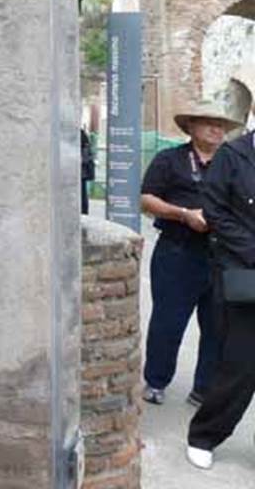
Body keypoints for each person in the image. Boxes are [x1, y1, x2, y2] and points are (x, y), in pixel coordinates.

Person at [139, 101, 242, 408]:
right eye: (209, 123)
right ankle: (156, 381)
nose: (217, 129)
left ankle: (204, 388)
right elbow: (146, 199)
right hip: (177, 252)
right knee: (168, 322)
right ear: (191, 127)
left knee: (217, 327)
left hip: (222, 257)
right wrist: (184, 214)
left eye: (221, 124)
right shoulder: (169, 160)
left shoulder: (234, 163)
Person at [186, 117, 255, 470]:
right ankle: (204, 435)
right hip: (245, 270)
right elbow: (214, 209)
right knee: (240, 365)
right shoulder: (233, 155)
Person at [81, 128, 95, 215]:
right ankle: (84, 213)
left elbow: (86, 154)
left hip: (81, 173)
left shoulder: (81, 134)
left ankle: (83, 214)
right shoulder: (82, 134)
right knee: (83, 196)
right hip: (83, 174)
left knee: (82, 196)